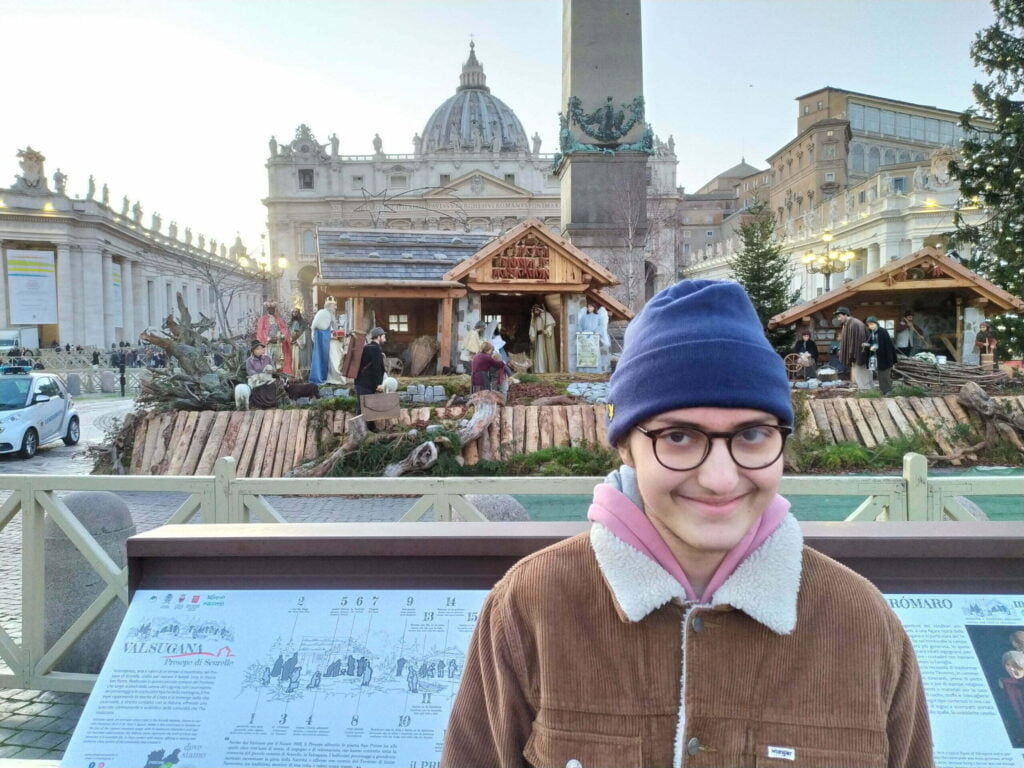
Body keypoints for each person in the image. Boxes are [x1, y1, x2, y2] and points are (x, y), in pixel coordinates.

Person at [441, 280, 933, 768]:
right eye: (678, 436)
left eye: (754, 435)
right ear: (624, 445)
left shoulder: (862, 623)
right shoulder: (533, 605)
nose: (720, 480)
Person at [354, 327, 387, 431]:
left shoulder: (368, 347)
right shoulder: (374, 348)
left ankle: (370, 430)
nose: (385, 338)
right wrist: (379, 384)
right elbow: (377, 368)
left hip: (362, 382)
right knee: (364, 407)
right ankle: (361, 432)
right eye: (383, 336)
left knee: (366, 406)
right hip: (365, 383)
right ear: (378, 337)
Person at [834, 306, 871, 390]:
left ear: (845, 315)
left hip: (859, 354)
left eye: (839, 316)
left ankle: (866, 391)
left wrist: (855, 355)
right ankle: (864, 389)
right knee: (858, 373)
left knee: (862, 372)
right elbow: (846, 340)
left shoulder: (855, 324)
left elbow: (860, 340)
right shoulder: (847, 324)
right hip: (855, 355)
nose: (838, 319)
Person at [865, 317, 898, 395]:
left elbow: (888, 345)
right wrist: (868, 344)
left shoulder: (883, 331)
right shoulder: (872, 332)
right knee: (880, 374)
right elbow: (871, 342)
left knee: (885, 374)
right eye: (869, 325)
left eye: (872, 324)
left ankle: (888, 390)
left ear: (876, 324)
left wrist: (877, 347)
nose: (871, 326)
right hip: (877, 356)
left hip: (885, 356)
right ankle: (883, 390)